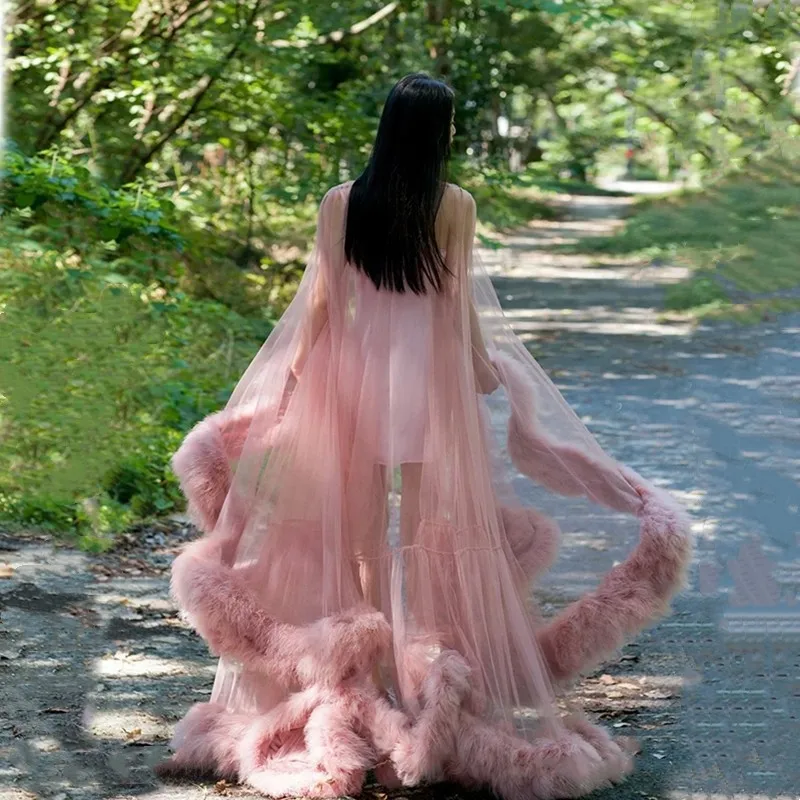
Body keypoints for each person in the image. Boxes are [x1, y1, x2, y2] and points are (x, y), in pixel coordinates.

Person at [163, 73, 691, 799]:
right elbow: (456, 302)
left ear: (385, 128)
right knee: (429, 533)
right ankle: (420, 678)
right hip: (428, 388)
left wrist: (291, 385)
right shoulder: (455, 205)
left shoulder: (341, 203)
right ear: (438, 132)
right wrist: (479, 370)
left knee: (349, 534)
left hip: (351, 386)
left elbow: (321, 306)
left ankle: (361, 670)